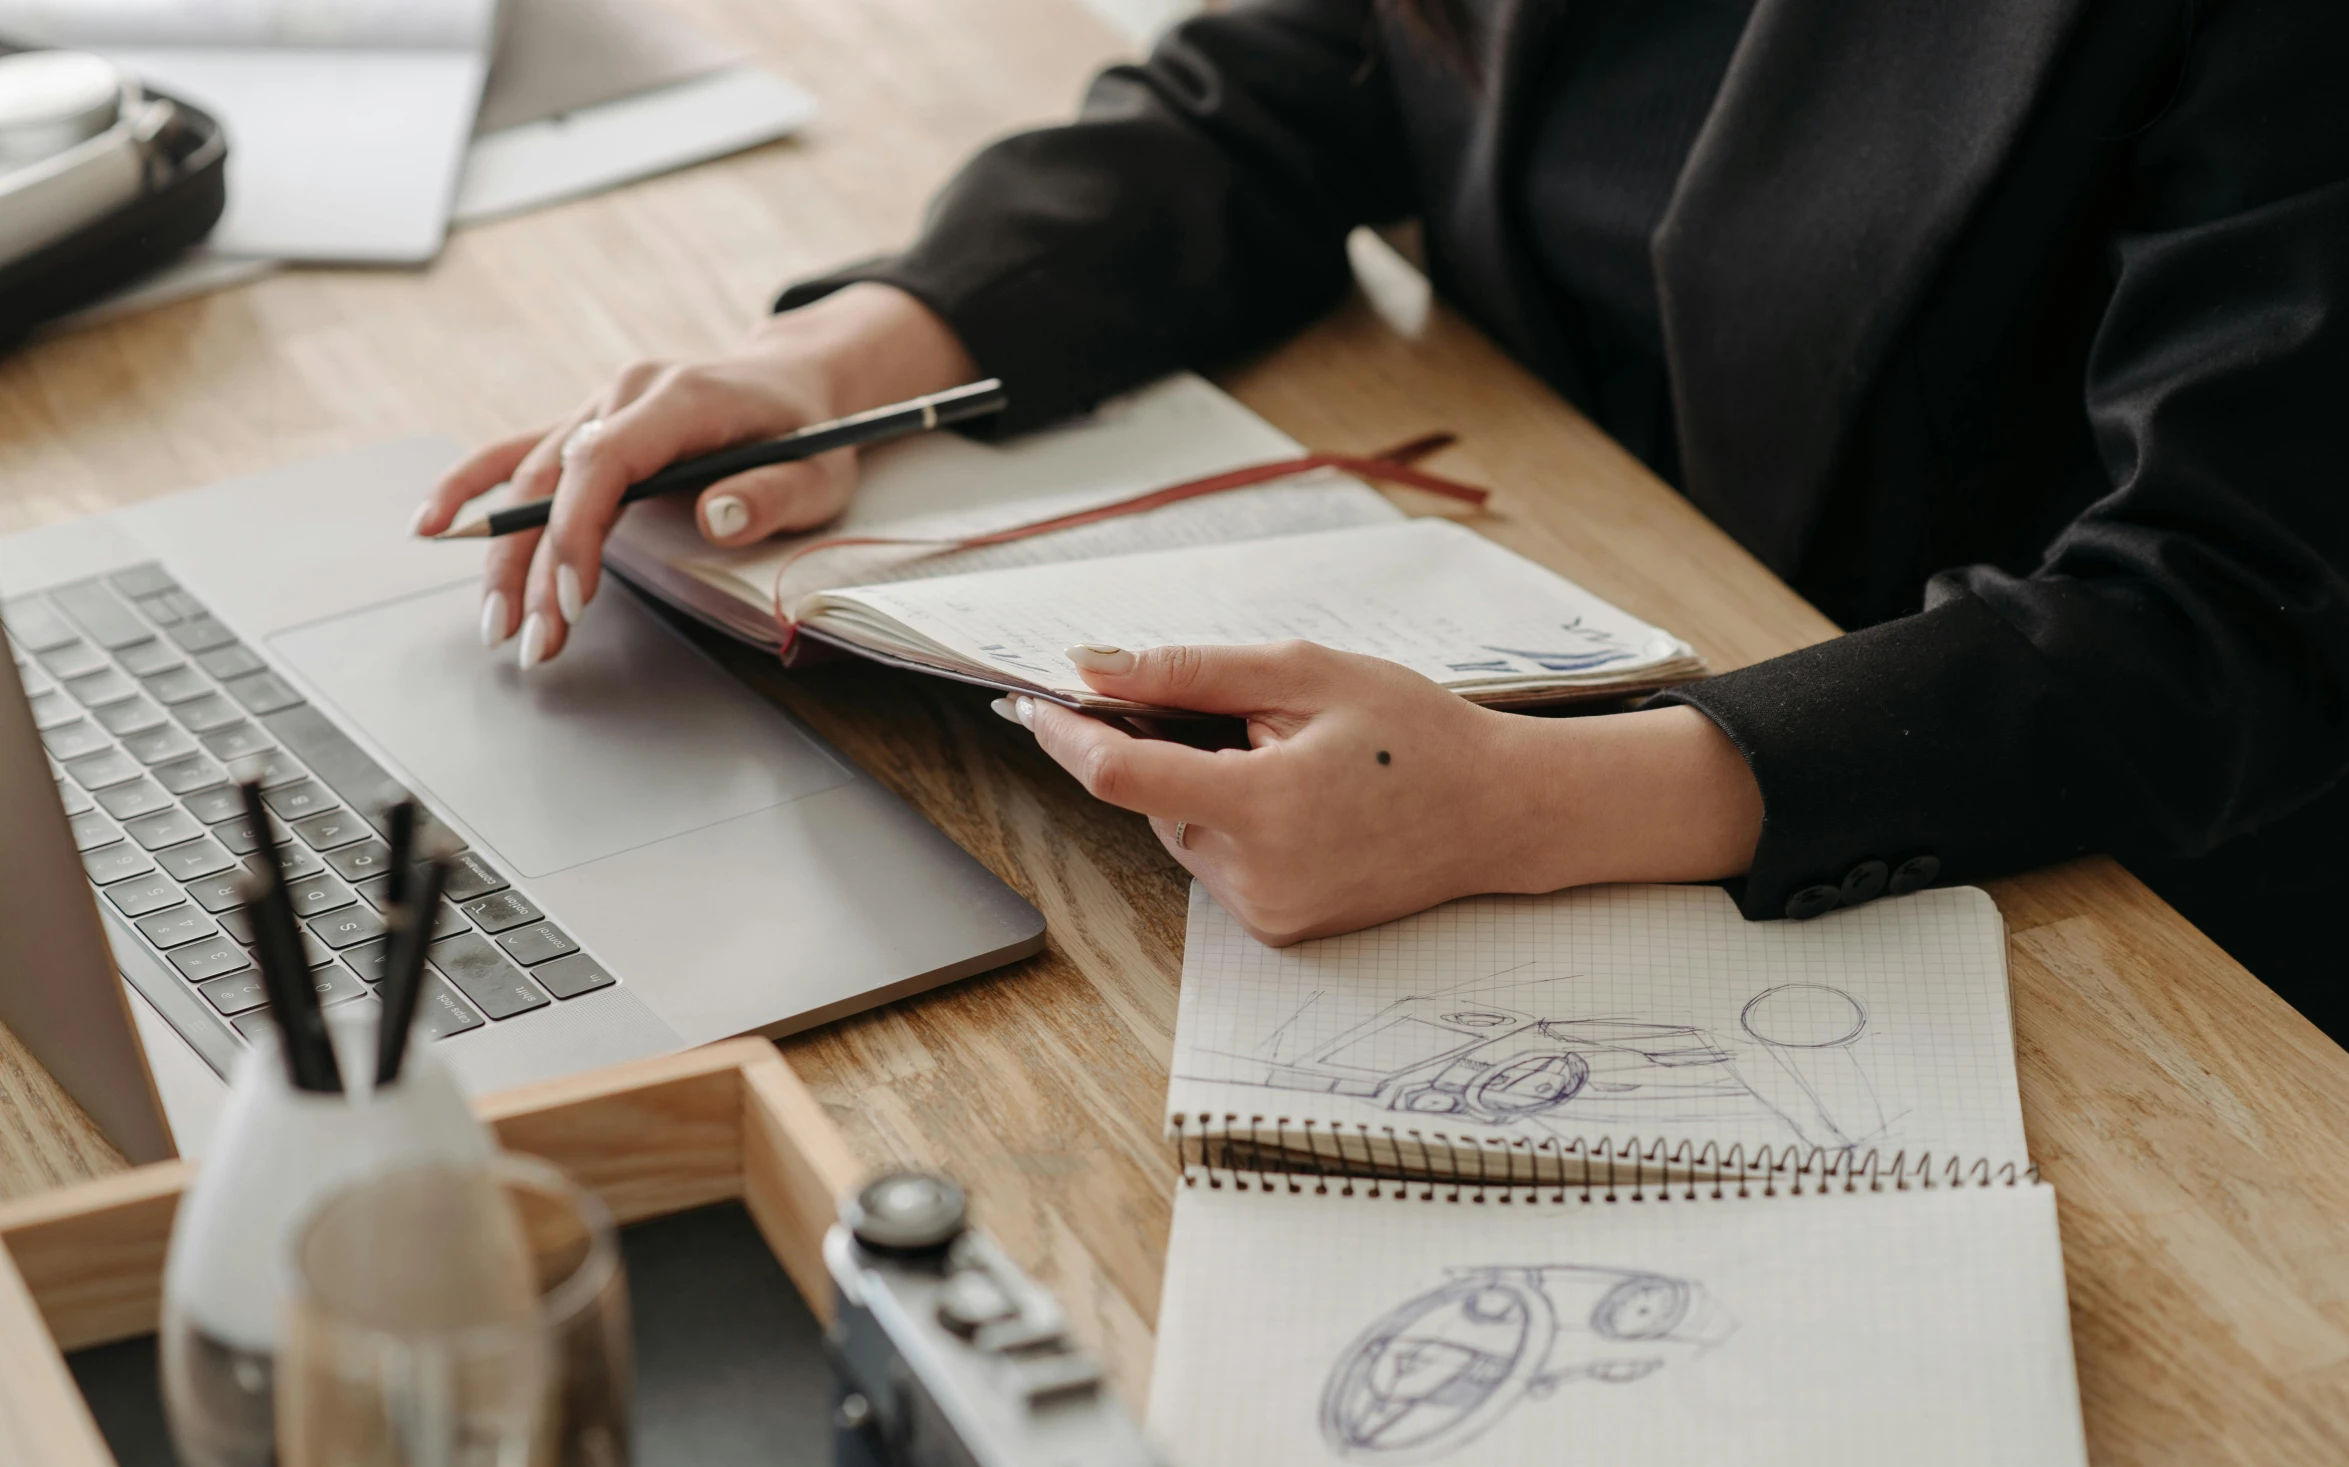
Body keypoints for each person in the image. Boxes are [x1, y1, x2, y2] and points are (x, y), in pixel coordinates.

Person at [412, 0, 2349, 1041]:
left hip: (2096, 893)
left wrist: (1524, 804)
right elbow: (1302, 78)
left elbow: (2232, 602)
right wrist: (857, 354)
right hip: (1559, 568)